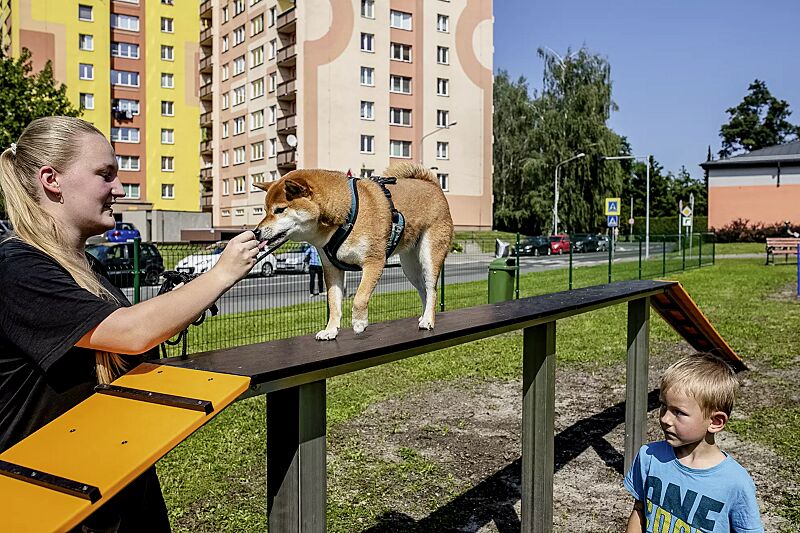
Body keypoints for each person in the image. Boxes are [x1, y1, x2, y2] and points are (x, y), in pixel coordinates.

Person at [0, 117, 264, 532]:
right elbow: (129, 332)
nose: (120, 189)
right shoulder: (16, 268)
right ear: (52, 180)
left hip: (114, 486)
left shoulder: (88, 268)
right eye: (105, 174)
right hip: (48, 499)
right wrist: (221, 273)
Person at [624, 353, 763, 533]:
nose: (665, 418)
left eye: (678, 412)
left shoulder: (735, 482)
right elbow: (639, 510)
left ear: (715, 422)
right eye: (663, 406)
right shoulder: (649, 457)